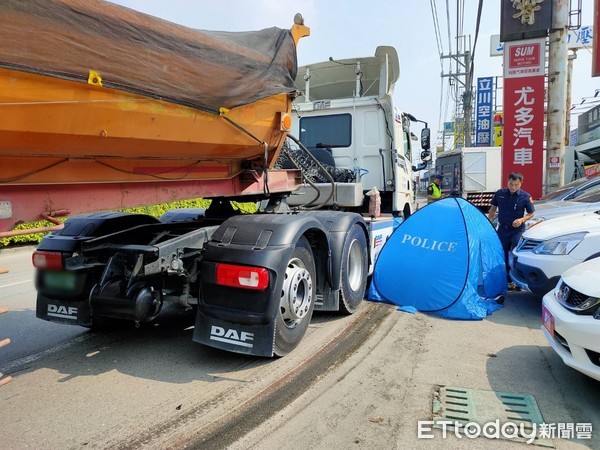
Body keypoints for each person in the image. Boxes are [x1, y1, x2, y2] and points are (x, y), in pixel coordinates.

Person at [488, 172, 535, 291]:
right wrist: (489, 220)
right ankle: (507, 280)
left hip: (517, 231)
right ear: (507, 181)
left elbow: (531, 213)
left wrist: (521, 219)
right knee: (501, 254)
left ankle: (517, 280)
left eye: (516, 185)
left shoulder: (525, 196)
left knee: (514, 255)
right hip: (503, 229)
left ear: (521, 183)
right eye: (511, 184)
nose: (513, 187)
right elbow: (493, 209)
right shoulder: (500, 194)